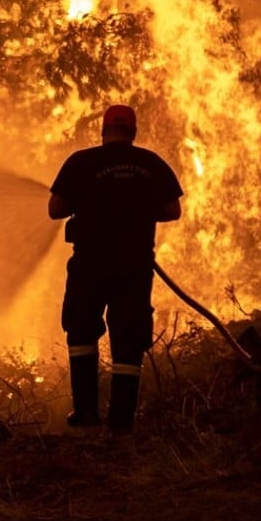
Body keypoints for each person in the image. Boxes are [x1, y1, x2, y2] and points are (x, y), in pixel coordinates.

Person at [48, 104, 183, 434]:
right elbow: (171, 210)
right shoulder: (150, 164)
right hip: (133, 266)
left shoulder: (81, 162)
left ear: (103, 131)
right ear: (133, 132)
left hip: (89, 263)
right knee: (129, 338)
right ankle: (121, 423)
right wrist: (136, 210)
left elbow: (55, 209)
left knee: (81, 331)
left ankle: (86, 414)